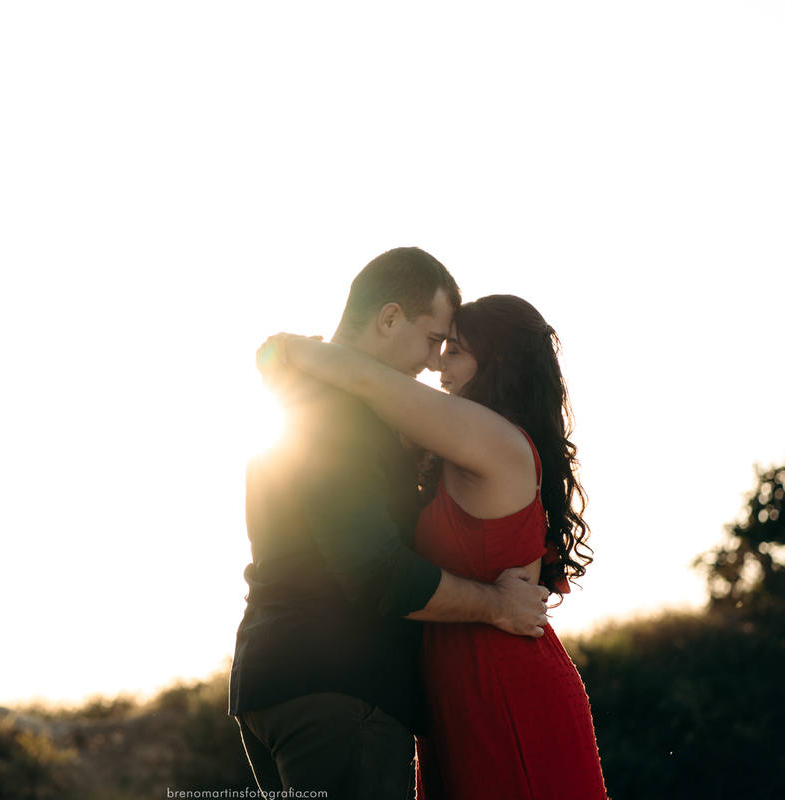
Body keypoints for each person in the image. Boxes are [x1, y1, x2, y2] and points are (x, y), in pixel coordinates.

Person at [229, 248, 550, 800]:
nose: (432, 362)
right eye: (433, 339)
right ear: (389, 318)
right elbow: (375, 570)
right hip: (340, 685)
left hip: (276, 677)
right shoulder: (343, 414)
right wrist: (497, 604)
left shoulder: (296, 399)